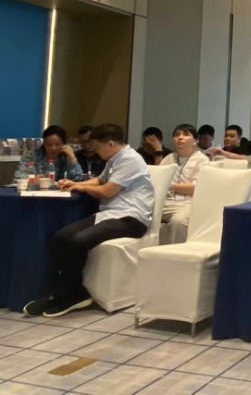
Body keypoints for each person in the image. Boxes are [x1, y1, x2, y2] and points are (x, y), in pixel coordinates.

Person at [23, 124, 154, 318]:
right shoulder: (114, 159)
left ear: (110, 144)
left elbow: (107, 191)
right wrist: (75, 183)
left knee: (78, 240)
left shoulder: (130, 159)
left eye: (98, 147)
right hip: (110, 214)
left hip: (131, 218)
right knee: (61, 236)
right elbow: (100, 180)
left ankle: (62, 293)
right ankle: (76, 292)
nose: (96, 151)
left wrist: (81, 188)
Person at [159, 124, 209, 245]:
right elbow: (158, 181)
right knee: (139, 213)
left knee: (179, 221)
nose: (180, 138)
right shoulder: (169, 158)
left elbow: (197, 188)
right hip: (166, 201)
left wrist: (170, 186)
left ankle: (175, 253)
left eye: (185, 135)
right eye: (177, 135)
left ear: (195, 141)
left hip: (189, 202)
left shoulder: (201, 160)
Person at [15, 125, 83, 182]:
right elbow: (18, 178)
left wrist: (72, 157)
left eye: (57, 144)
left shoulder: (67, 157)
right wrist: (33, 180)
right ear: (44, 143)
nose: (53, 148)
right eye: (49, 145)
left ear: (64, 143)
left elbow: (79, 179)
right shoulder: (31, 155)